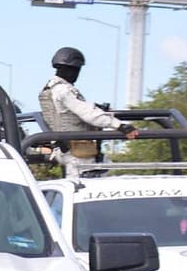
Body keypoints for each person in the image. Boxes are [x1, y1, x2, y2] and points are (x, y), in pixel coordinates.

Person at [38, 46, 139, 178]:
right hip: (76, 151)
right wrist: (120, 125)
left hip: (65, 149)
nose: (75, 74)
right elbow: (87, 113)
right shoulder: (64, 91)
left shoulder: (50, 89)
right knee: (91, 184)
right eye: (75, 70)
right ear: (67, 69)